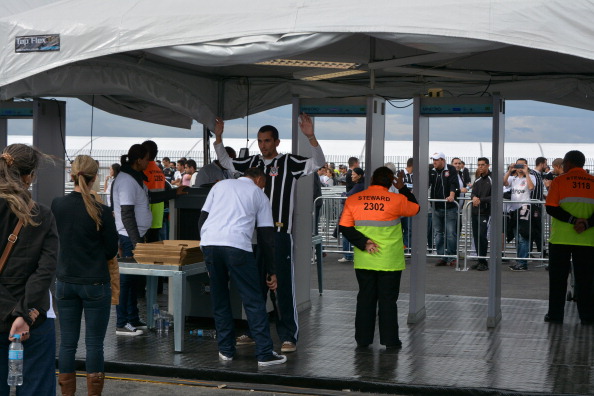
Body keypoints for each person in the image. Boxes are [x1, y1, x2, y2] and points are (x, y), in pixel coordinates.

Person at [213, 113, 326, 353]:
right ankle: (253, 332)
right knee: (254, 287)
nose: (263, 145)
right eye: (260, 141)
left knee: (281, 287)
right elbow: (225, 162)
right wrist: (219, 137)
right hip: (252, 237)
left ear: (276, 142)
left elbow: (317, 163)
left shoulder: (289, 162)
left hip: (278, 235)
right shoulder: (251, 163)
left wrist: (311, 137)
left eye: (267, 141)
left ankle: (288, 336)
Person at [198, 167, 287, 366]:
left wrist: (205, 243)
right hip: (237, 246)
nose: (264, 187)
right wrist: (271, 270)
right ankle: (264, 353)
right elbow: (266, 236)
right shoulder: (258, 195)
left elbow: (202, 218)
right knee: (253, 299)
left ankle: (226, 350)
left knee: (219, 298)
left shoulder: (220, 186)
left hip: (210, 244)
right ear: (258, 179)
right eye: (264, 183)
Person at [52, 155, 119, 396]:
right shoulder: (103, 210)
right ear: (94, 178)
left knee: (67, 343)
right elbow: (111, 250)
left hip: (65, 282)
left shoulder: (57, 205)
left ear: (72, 176)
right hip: (95, 283)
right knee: (94, 344)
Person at [0, 144, 58, 396]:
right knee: (36, 388)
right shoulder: (42, 214)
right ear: (29, 176)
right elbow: (45, 271)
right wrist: (22, 313)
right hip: (33, 319)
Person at [339, 167, 419, 349]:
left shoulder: (354, 200)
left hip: (365, 258)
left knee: (365, 299)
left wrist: (364, 242)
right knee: (388, 301)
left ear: (372, 178)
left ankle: (363, 339)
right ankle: (390, 340)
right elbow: (416, 208)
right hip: (390, 260)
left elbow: (344, 227)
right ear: (391, 181)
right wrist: (403, 188)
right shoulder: (397, 199)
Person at [545, 150, 594, 325]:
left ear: (569, 163)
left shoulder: (559, 181)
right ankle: (587, 316)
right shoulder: (593, 182)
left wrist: (573, 220)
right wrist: (586, 224)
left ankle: (555, 315)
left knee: (558, 280)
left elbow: (551, 207)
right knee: (586, 280)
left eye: (564, 163)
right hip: (587, 240)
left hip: (560, 239)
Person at [429, 152, 460, 267]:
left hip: (450, 208)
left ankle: (452, 257)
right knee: (438, 233)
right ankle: (442, 256)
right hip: (436, 207)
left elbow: (453, 184)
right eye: (433, 160)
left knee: (451, 233)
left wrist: (452, 195)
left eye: (436, 160)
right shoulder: (431, 170)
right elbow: (427, 183)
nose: (434, 162)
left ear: (442, 160)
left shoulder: (451, 169)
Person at [504, 159, 535, 271]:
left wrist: (526, 173)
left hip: (524, 208)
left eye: (522, 165)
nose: (520, 167)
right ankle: (519, 261)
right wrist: (509, 170)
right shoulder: (513, 178)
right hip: (513, 209)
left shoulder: (531, 177)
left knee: (523, 236)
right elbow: (504, 183)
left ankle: (523, 263)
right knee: (517, 236)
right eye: (518, 165)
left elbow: (531, 187)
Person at [338, 167, 365, 263]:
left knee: (347, 232)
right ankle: (349, 253)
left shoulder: (359, 186)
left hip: (353, 213)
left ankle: (348, 254)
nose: (351, 176)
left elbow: (348, 197)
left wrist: (343, 195)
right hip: (357, 213)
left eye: (353, 174)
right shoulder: (360, 185)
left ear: (359, 176)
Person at [470, 157, 492, 271]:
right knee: (476, 236)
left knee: (482, 236)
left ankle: (483, 261)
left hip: (485, 212)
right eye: (479, 165)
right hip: (475, 212)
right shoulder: (477, 180)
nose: (480, 167)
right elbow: (472, 192)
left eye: (483, 164)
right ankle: (480, 260)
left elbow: (494, 196)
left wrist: (481, 200)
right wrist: (474, 198)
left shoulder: (492, 179)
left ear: (488, 165)